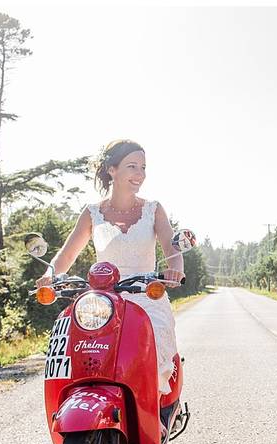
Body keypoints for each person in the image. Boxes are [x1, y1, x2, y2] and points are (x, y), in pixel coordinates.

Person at [36, 139, 184, 395]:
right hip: (103, 301)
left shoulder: (153, 209)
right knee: (83, 351)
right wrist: (49, 274)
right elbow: (66, 255)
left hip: (145, 295)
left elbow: (173, 251)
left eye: (143, 167)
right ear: (112, 170)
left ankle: (153, 410)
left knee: (153, 345)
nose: (140, 174)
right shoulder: (92, 212)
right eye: (132, 166)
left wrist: (175, 270)